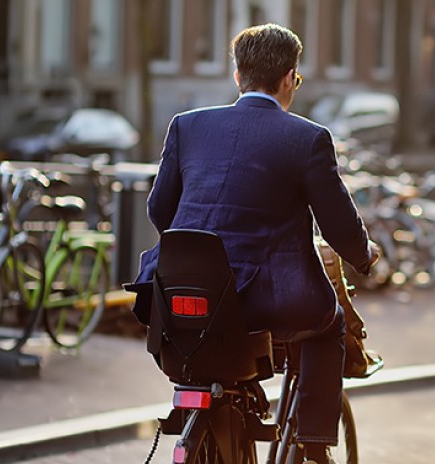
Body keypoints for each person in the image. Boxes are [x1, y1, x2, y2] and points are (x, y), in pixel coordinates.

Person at [135, 24, 378, 464]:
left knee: (213, 343)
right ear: (289, 79)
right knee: (330, 322)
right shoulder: (308, 139)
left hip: (179, 294)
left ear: (237, 76)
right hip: (267, 300)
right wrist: (365, 256)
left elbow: (159, 212)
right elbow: (339, 226)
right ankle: (315, 441)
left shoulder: (187, 127)